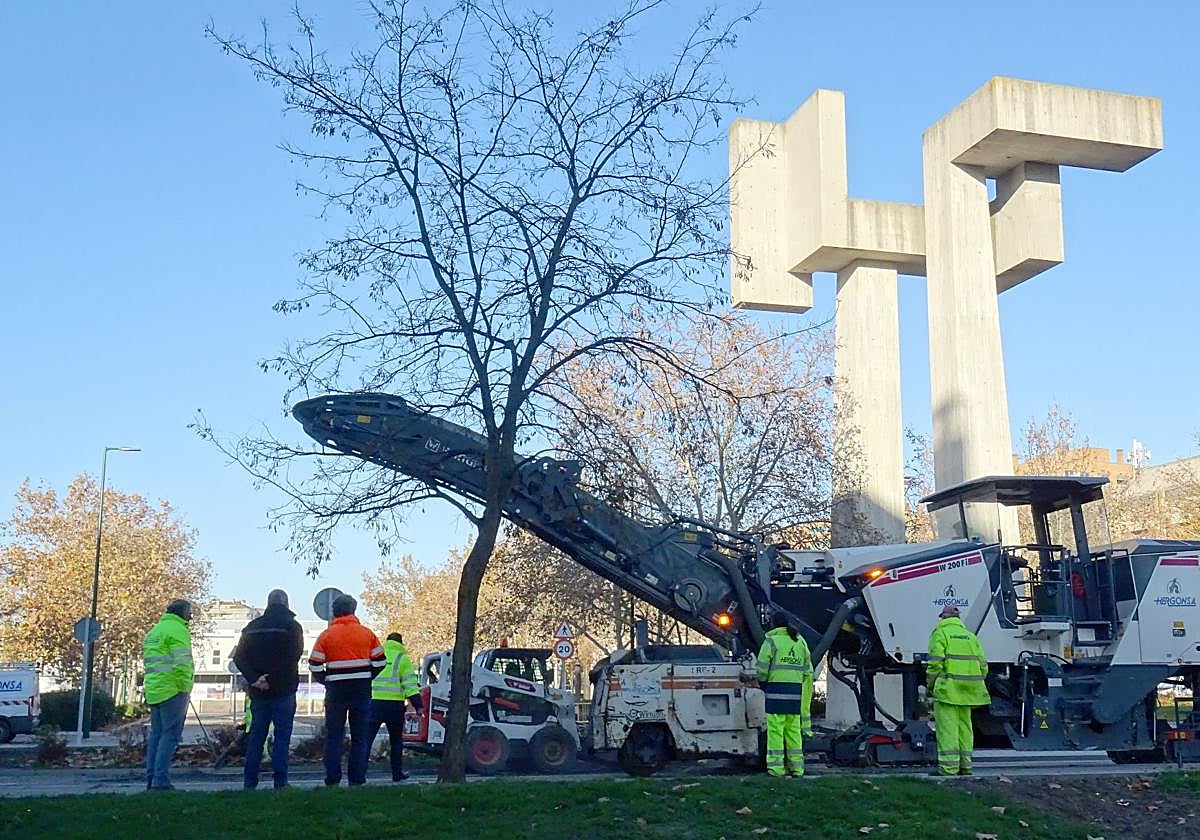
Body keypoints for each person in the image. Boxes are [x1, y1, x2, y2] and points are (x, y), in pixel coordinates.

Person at [309, 594, 386, 786]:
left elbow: (314, 664)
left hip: (336, 691)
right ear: (353, 610)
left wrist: (327, 681)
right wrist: (367, 676)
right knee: (360, 736)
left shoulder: (327, 635)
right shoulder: (366, 634)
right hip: (361, 690)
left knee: (334, 736)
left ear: (335, 612)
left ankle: (333, 778)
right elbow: (381, 661)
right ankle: (357, 778)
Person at [233, 589, 304, 789]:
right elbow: (293, 656)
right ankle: (280, 782)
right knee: (282, 736)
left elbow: (239, 657)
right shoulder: (292, 626)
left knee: (257, 735)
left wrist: (255, 679)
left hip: (258, 692)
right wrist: (272, 678)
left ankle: (250, 781)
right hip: (284, 689)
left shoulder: (251, 628)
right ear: (286, 603)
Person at [926, 604, 990, 776]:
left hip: (948, 690)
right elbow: (983, 667)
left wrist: (931, 685)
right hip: (968, 691)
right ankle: (965, 767)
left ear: (942, 618)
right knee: (965, 729)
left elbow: (934, 664)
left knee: (948, 729)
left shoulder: (940, 634)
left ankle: (948, 769)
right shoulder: (970, 637)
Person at [143, 599, 195, 791]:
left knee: (156, 735)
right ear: (183, 612)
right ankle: (161, 780)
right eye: (190, 613)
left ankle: (151, 777)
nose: (191, 617)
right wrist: (185, 688)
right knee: (171, 736)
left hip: (154, 689)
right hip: (173, 690)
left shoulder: (154, 632)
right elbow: (182, 663)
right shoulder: (178, 631)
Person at [755, 612, 813, 778]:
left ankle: (776, 769)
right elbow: (807, 669)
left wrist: (763, 682)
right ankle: (797, 768)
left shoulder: (771, 641)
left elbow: (761, 670)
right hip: (795, 693)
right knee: (793, 731)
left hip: (775, 693)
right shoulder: (799, 640)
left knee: (776, 731)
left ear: (773, 624)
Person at [366, 632, 422, 781]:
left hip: (374, 703)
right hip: (394, 707)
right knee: (396, 742)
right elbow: (411, 686)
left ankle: (359, 774)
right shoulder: (402, 659)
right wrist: (418, 706)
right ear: (400, 643)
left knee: (366, 740)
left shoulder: (375, 656)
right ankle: (397, 774)